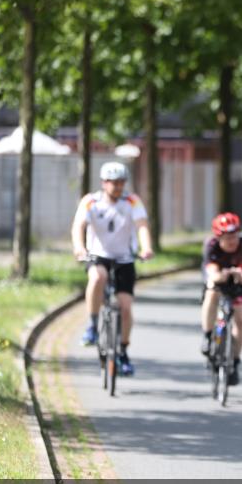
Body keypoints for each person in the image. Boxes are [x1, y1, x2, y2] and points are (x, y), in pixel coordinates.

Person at [72, 161, 154, 376]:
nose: (118, 187)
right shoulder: (91, 202)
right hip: (98, 254)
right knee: (98, 277)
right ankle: (92, 325)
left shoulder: (132, 201)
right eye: (113, 183)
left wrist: (146, 247)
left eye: (121, 182)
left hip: (125, 258)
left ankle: (123, 352)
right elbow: (78, 226)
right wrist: (80, 248)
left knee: (126, 307)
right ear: (104, 183)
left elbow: (142, 226)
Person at [201, 213, 242, 386]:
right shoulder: (211, 245)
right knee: (211, 293)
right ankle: (208, 336)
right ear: (218, 237)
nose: (232, 241)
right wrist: (221, 275)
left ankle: (235, 361)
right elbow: (212, 272)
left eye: (234, 236)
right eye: (227, 237)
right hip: (218, 279)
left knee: (241, 318)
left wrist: (240, 275)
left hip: (238, 283)